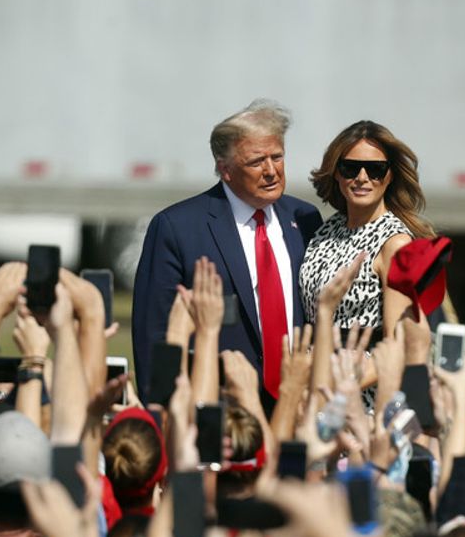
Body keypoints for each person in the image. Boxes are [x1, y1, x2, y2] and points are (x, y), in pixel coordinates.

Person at [132, 99, 322, 399]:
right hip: (219, 408)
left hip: (297, 403)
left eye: (278, 157)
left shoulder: (304, 219)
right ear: (226, 169)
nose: (271, 171)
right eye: (257, 161)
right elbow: (154, 334)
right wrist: (162, 413)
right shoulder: (177, 228)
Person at [300, 120, 434, 339]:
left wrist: (354, 373)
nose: (362, 178)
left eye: (375, 170)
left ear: (390, 175)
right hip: (312, 367)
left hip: (358, 370)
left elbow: (395, 343)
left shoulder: (396, 243)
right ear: (336, 172)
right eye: (350, 168)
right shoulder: (327, 229)